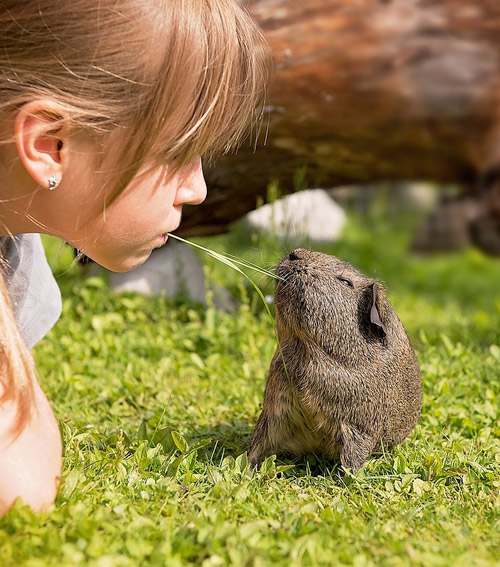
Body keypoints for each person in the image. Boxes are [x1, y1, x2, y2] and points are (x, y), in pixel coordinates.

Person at [0, 0, 269, 514]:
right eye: (176, 154)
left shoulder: (18, 252)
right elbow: (19, 485)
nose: (198, 190)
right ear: (51, 146)